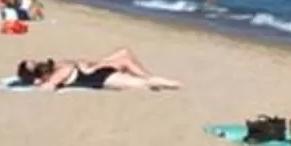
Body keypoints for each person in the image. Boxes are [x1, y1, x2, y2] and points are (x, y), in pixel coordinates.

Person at [10, 47, 182, 93]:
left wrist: (37, 83)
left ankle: (173, 84)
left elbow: (48, 88)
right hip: (99, 71)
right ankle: (167, 83)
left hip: (101, 74)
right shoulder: (59, 65)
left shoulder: (58, 72)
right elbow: (48, 87)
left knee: (144, 81)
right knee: (126, 57)